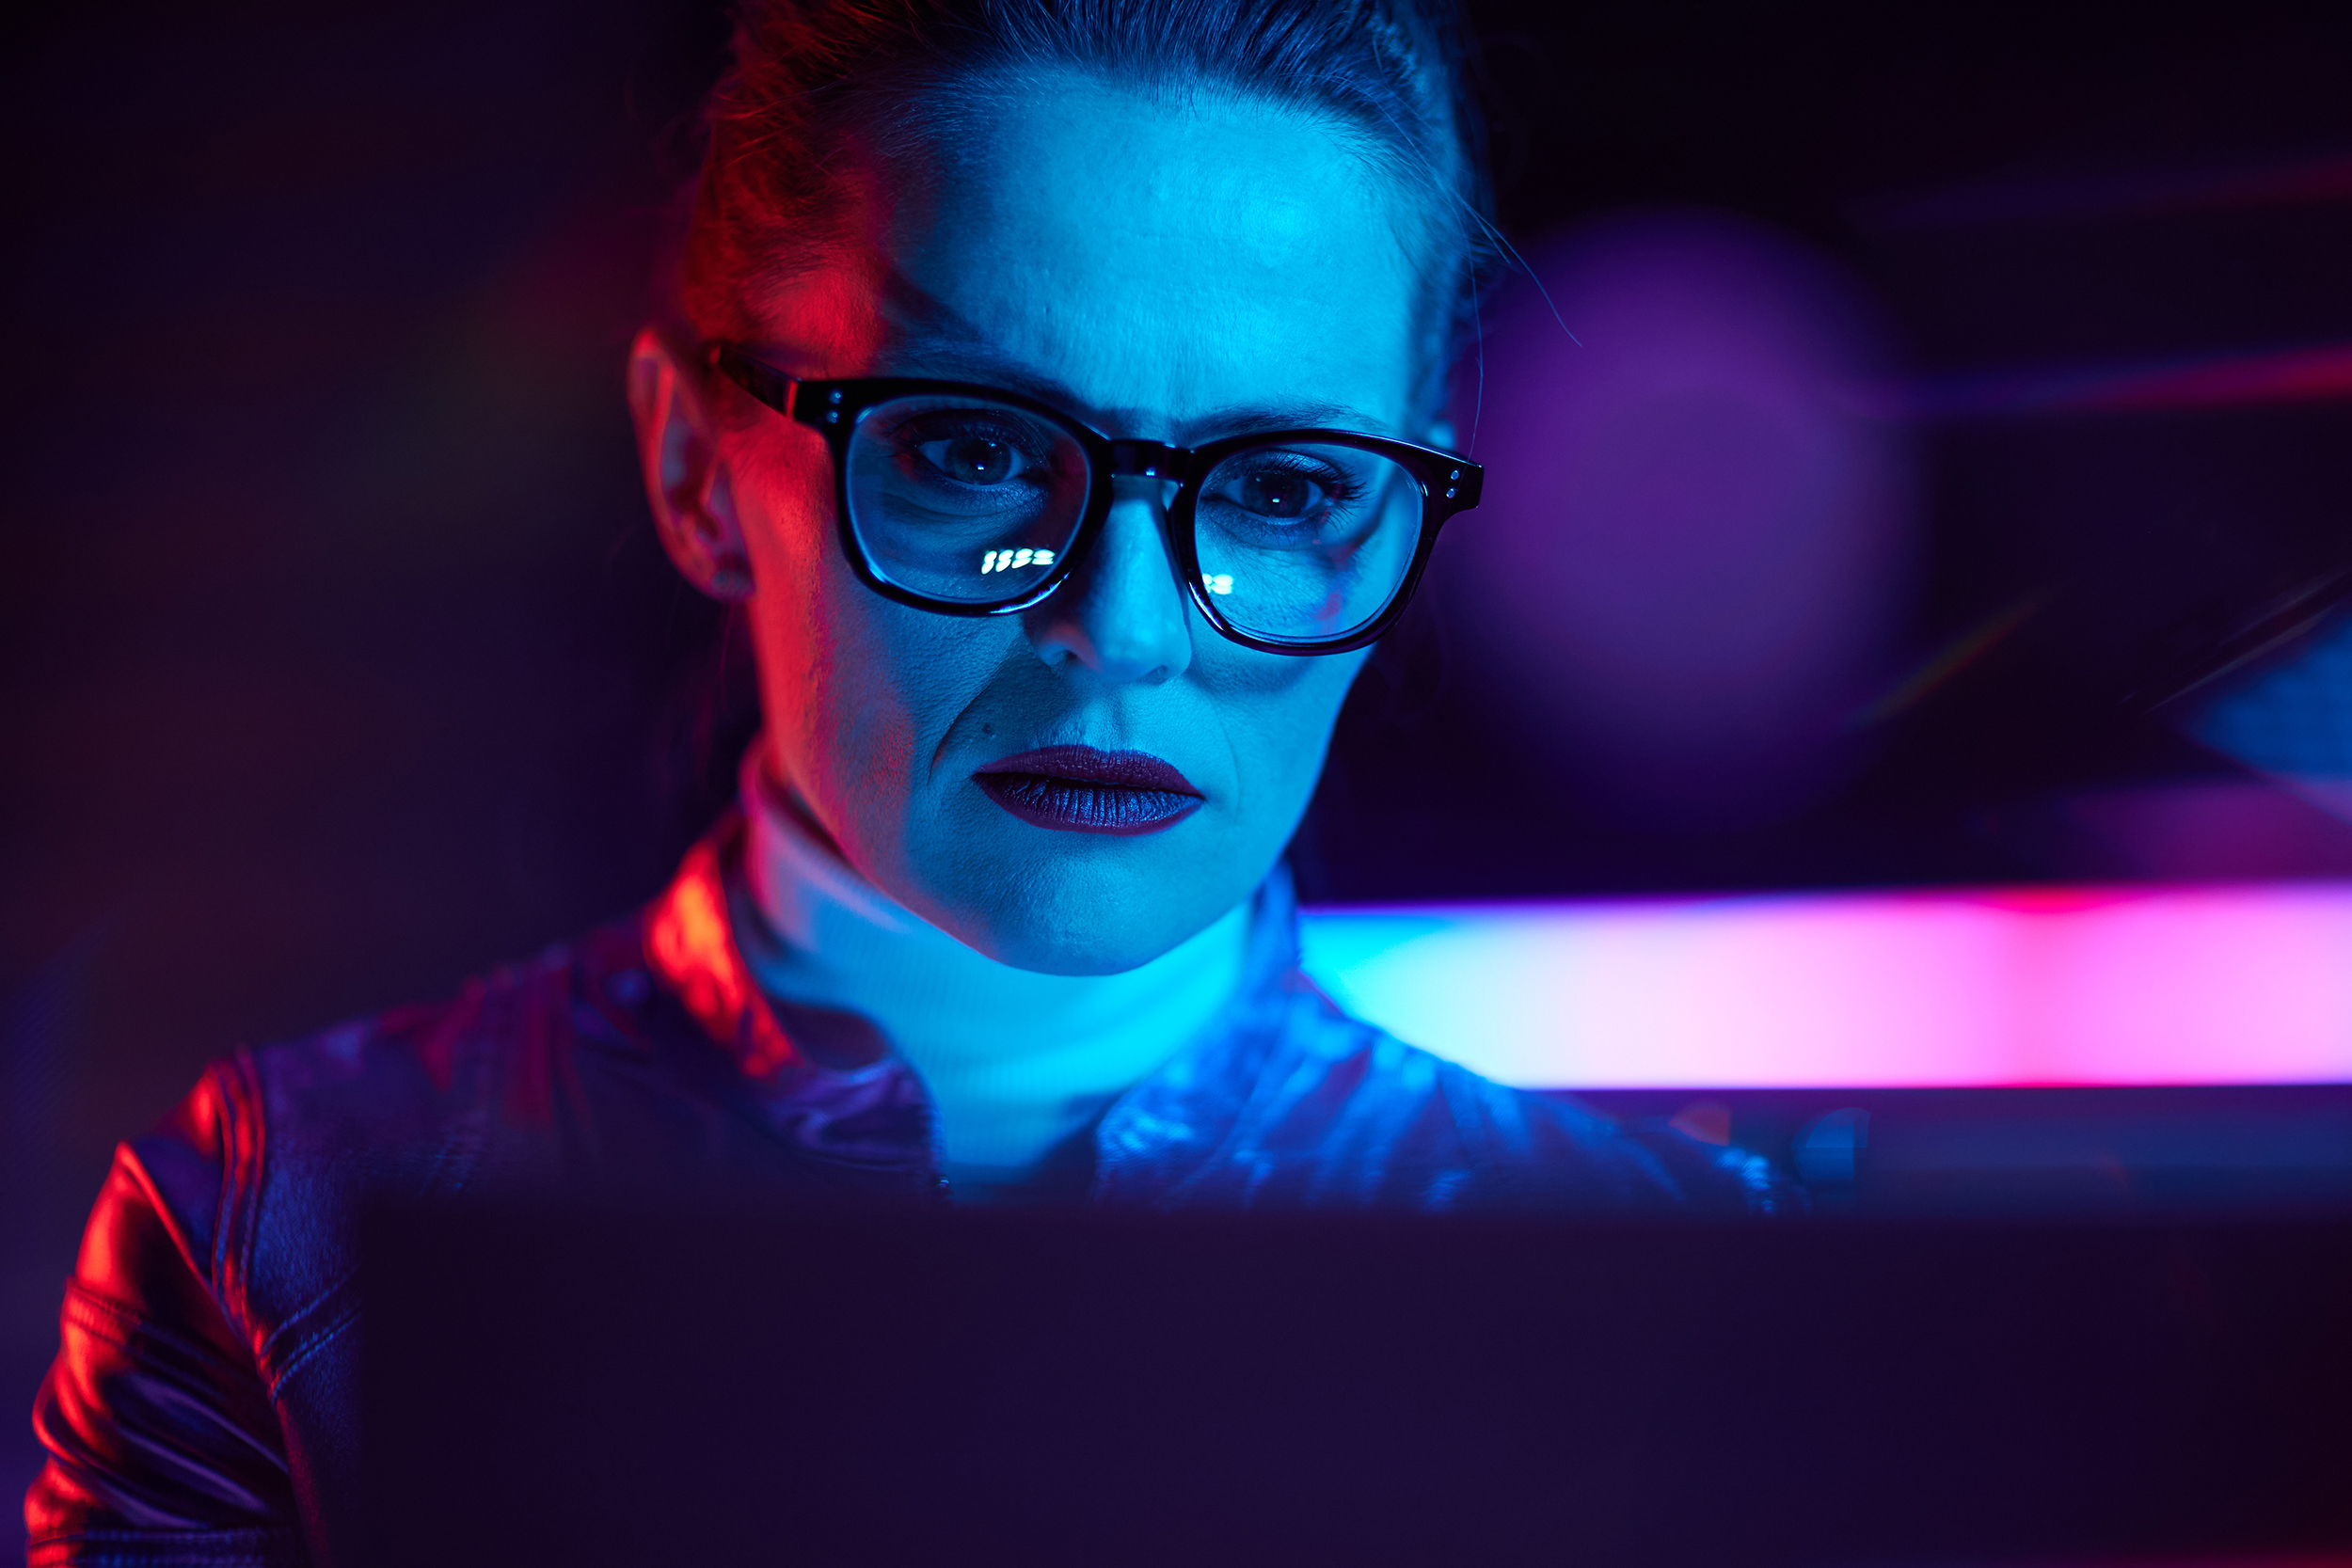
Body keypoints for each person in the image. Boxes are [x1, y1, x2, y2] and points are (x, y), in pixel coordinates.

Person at [26, 0, 1792, 1560]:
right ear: (697, 472)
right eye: (969, 449)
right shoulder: (277, 1221)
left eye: (1279, 487)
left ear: (1400, 512)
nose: (1124, 627)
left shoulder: (1679, 1296)